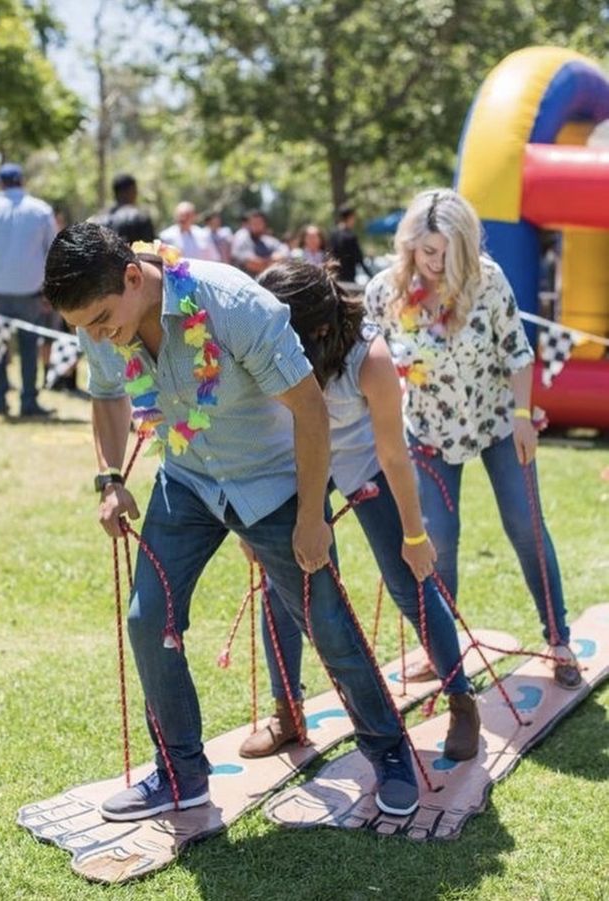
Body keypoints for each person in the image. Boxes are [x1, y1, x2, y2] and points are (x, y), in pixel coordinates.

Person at [42, 225, 420, 820]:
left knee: (328, 626)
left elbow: (311, 410)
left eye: (102, 321)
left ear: (133, 278)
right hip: (188, 478)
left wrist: (309, 519)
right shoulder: (102, 313)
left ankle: (390, 751)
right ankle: (180, 774)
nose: (97, 336)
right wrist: (110, 478)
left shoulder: (236, 305)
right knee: (148, 619)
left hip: (273, 482)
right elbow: (109, 393)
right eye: (84, 327)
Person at [237, 259, 479, 762]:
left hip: (365, 461)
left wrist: (415, 536)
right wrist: (256, 518)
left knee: (409, 583)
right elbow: (264, 427)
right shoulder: (269, 347)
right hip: (304, 458)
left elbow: (393, 454)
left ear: (319, 330)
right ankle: (288, 713)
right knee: (287, 585)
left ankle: (461, 699)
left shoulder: (371, 359)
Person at [363, 188, 581, 690]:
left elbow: (517, 352)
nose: (436, 263)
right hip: (429, 432)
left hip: (499, 422)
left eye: (446, 253)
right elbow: (369, 367)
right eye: (427, 251)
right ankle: (439, 650)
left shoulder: (489, 281)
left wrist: (524, 415)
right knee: (436, 540)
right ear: (410, 245)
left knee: (526, 525)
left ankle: (558, 638)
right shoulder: (384, 292)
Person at [0, 163, 57, 417]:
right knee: (29, 348)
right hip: (31, 292)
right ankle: (29, 401)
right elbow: (53, 252)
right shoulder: (41, 210)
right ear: (22, 181)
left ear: (0, 183)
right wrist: (51, 290)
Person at [94, 173, 155, 244]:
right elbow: (150, 249)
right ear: (131, 190)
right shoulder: (140, 217)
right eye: (135, 191)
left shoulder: (98, 219)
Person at [230, 209, 287, 275]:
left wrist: (278, 257)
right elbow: (253, 264)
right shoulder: (241, 236)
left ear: (264, 224)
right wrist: (272, 262)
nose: (255, 226)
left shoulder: (267, 240)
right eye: (253, 223)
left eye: (259, 223)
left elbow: (284, 250)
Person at [329, 203, 369, 284]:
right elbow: (359, 258)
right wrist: (370, 274)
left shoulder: (333, 234)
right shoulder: (350, 236)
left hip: (335, 276)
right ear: (350, 217)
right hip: (348, 277)